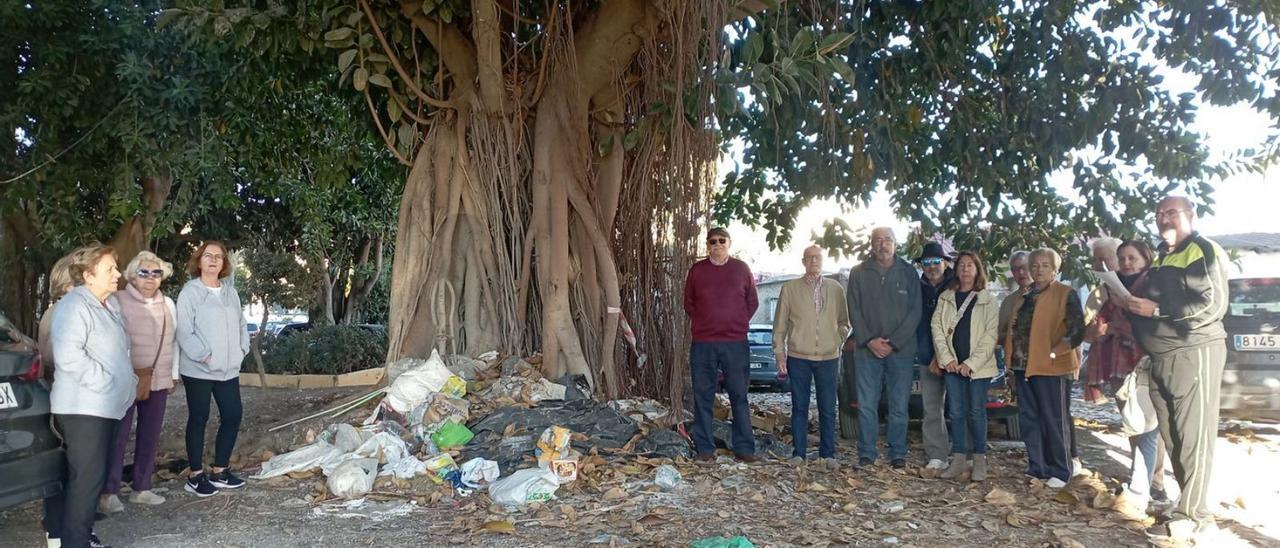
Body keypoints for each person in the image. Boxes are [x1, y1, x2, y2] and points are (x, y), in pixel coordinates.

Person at [1126, 196, 1229, 542]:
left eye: (1170, 212)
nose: (1163, 218)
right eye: (1158, 214)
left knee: (1194, 438)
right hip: (1161, 358)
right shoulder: (1163, 257)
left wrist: (1156, 311)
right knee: (1174, 437)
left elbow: (1212, 304)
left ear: (1190, 215)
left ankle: (1195, 517)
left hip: (1193, 351)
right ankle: (1187, 504)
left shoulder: (1201, 249)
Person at [45, 243, 136, 548]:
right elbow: (69, 356)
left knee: (90, 482)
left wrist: (128, 380)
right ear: (88, 275)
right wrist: (107, 382)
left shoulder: (108, 304)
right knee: (85, 483)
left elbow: (118, 352)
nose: (117, 274)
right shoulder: (74, 304)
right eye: (110, 269)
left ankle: (78, 540)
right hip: (84, 409)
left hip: (104, 407)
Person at [1090, 239, 1168, 520]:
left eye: (1131, 258)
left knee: (1147, 427)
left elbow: (1160, 321)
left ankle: (1145, 487)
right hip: (1116, 363)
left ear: (1146, 259)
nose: (1125, 263)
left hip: (1145, 362)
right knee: (1134, 425)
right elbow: (1092, 327)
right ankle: (1144, 482)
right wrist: (1099, 329)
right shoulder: (1108, 289)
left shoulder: (1154, 286)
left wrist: (1119, 322)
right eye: (1122, 259)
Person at [99, 252, 180, 513]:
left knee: (150, 435)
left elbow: (173, 341)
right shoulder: (117, 301)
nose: (150, 278)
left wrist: (173, 374)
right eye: (144, 272)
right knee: (118, 436)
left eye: (156, 273)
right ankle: (108, 492)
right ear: (132, 275)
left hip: (159, 377)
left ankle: (142, 487)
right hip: (126, 378)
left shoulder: (168, 303)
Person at [1005, 247, 1085, 488]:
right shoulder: (1025, 295)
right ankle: (1037, 466)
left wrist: (1054, 352)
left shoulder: (1065, 293)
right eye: (1035, 265)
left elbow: (1077, 330)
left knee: (1054, 418)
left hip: (1051, 366)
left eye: (1045, 265)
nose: (1038, 269)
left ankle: (1060, 470)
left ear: (1055, 269)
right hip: (1023, 366)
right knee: (1030, 418)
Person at [177, 241, 250, 496]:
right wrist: (204, 355)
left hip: (228, 369)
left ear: (224, 263)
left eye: (218, 257)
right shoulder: (190, 292)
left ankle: (220, 471)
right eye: (208, 255)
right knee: (199, 418)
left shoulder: (230, 292)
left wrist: (242, 349)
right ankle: (195, 475)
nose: (213, 260)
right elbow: (184, 330)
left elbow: (242, 324)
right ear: (199, 260)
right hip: (199, 369)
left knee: (232, 415)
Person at [846, 227, 921, 469]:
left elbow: (915, 311)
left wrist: (894, 342)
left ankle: (897, 452)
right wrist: (869, 340)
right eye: (877, 240)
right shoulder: (858, 273)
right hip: (867, 351)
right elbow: (853, 310)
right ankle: (867, 452)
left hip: (902, 351)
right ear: (871, 245)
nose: (882, 244)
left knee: (898, 405)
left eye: (887, 239)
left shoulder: (909, 272)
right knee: (867, 405)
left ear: (895, 244)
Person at [683, 228, 760, 463]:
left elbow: (752, 302)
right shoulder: (697, 270)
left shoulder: (741, 269)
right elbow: (689, 303)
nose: (717, 244)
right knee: (703, 395)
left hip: (735, 342)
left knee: (739, 395)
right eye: (712, 241)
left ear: (729, 243)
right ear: (707, 245)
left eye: (721, 240)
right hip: (704, 343)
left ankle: (744, 448)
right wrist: (706, 322)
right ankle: (705, 449)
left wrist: (735, 322)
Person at [772, 246, 850, 469]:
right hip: (799, 356)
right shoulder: (790, 288)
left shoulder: (835, 289)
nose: (814, 261)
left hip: (828, 357)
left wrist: (837, 340)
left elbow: (845, 321)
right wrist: (780, 353)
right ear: (803, 261)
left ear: (822, 261)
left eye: (817, 257)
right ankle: (799, 453)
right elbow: (780, 324)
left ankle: (828, 454)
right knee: (799, 406)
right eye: (810, 258)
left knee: (828, 407)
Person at [931, 251, 999, 482]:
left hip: (977, 368)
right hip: (952, 366)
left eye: (970, 265)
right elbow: (937, 329)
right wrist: (947, 358)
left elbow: (991, 336)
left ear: (978, 270)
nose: (965, 269)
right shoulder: (946, 297)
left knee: (977, 412)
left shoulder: (987, 299)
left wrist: (971, 364)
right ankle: (958, 458)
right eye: (961, 265)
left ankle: (979, 459)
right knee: (956, 412)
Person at [915, 242, 955, 471]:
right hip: (926, 356)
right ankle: (937, 454)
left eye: (936, 262)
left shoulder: (956, 284)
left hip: (955, 357)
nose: (931, 267)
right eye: (927, 263)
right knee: (931, 408)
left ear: (945, 262)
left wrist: (944, 355)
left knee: (960, 408)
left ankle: (963, 453)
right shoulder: (916, 287)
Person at [1083, 237, 1123, 402]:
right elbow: (1085, 334)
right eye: (1095, 260)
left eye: (1104, 258)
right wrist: (1096, 331)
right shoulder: (1097, 295)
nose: (1099, 264)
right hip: (1110, 362)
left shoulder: (1140, 286)